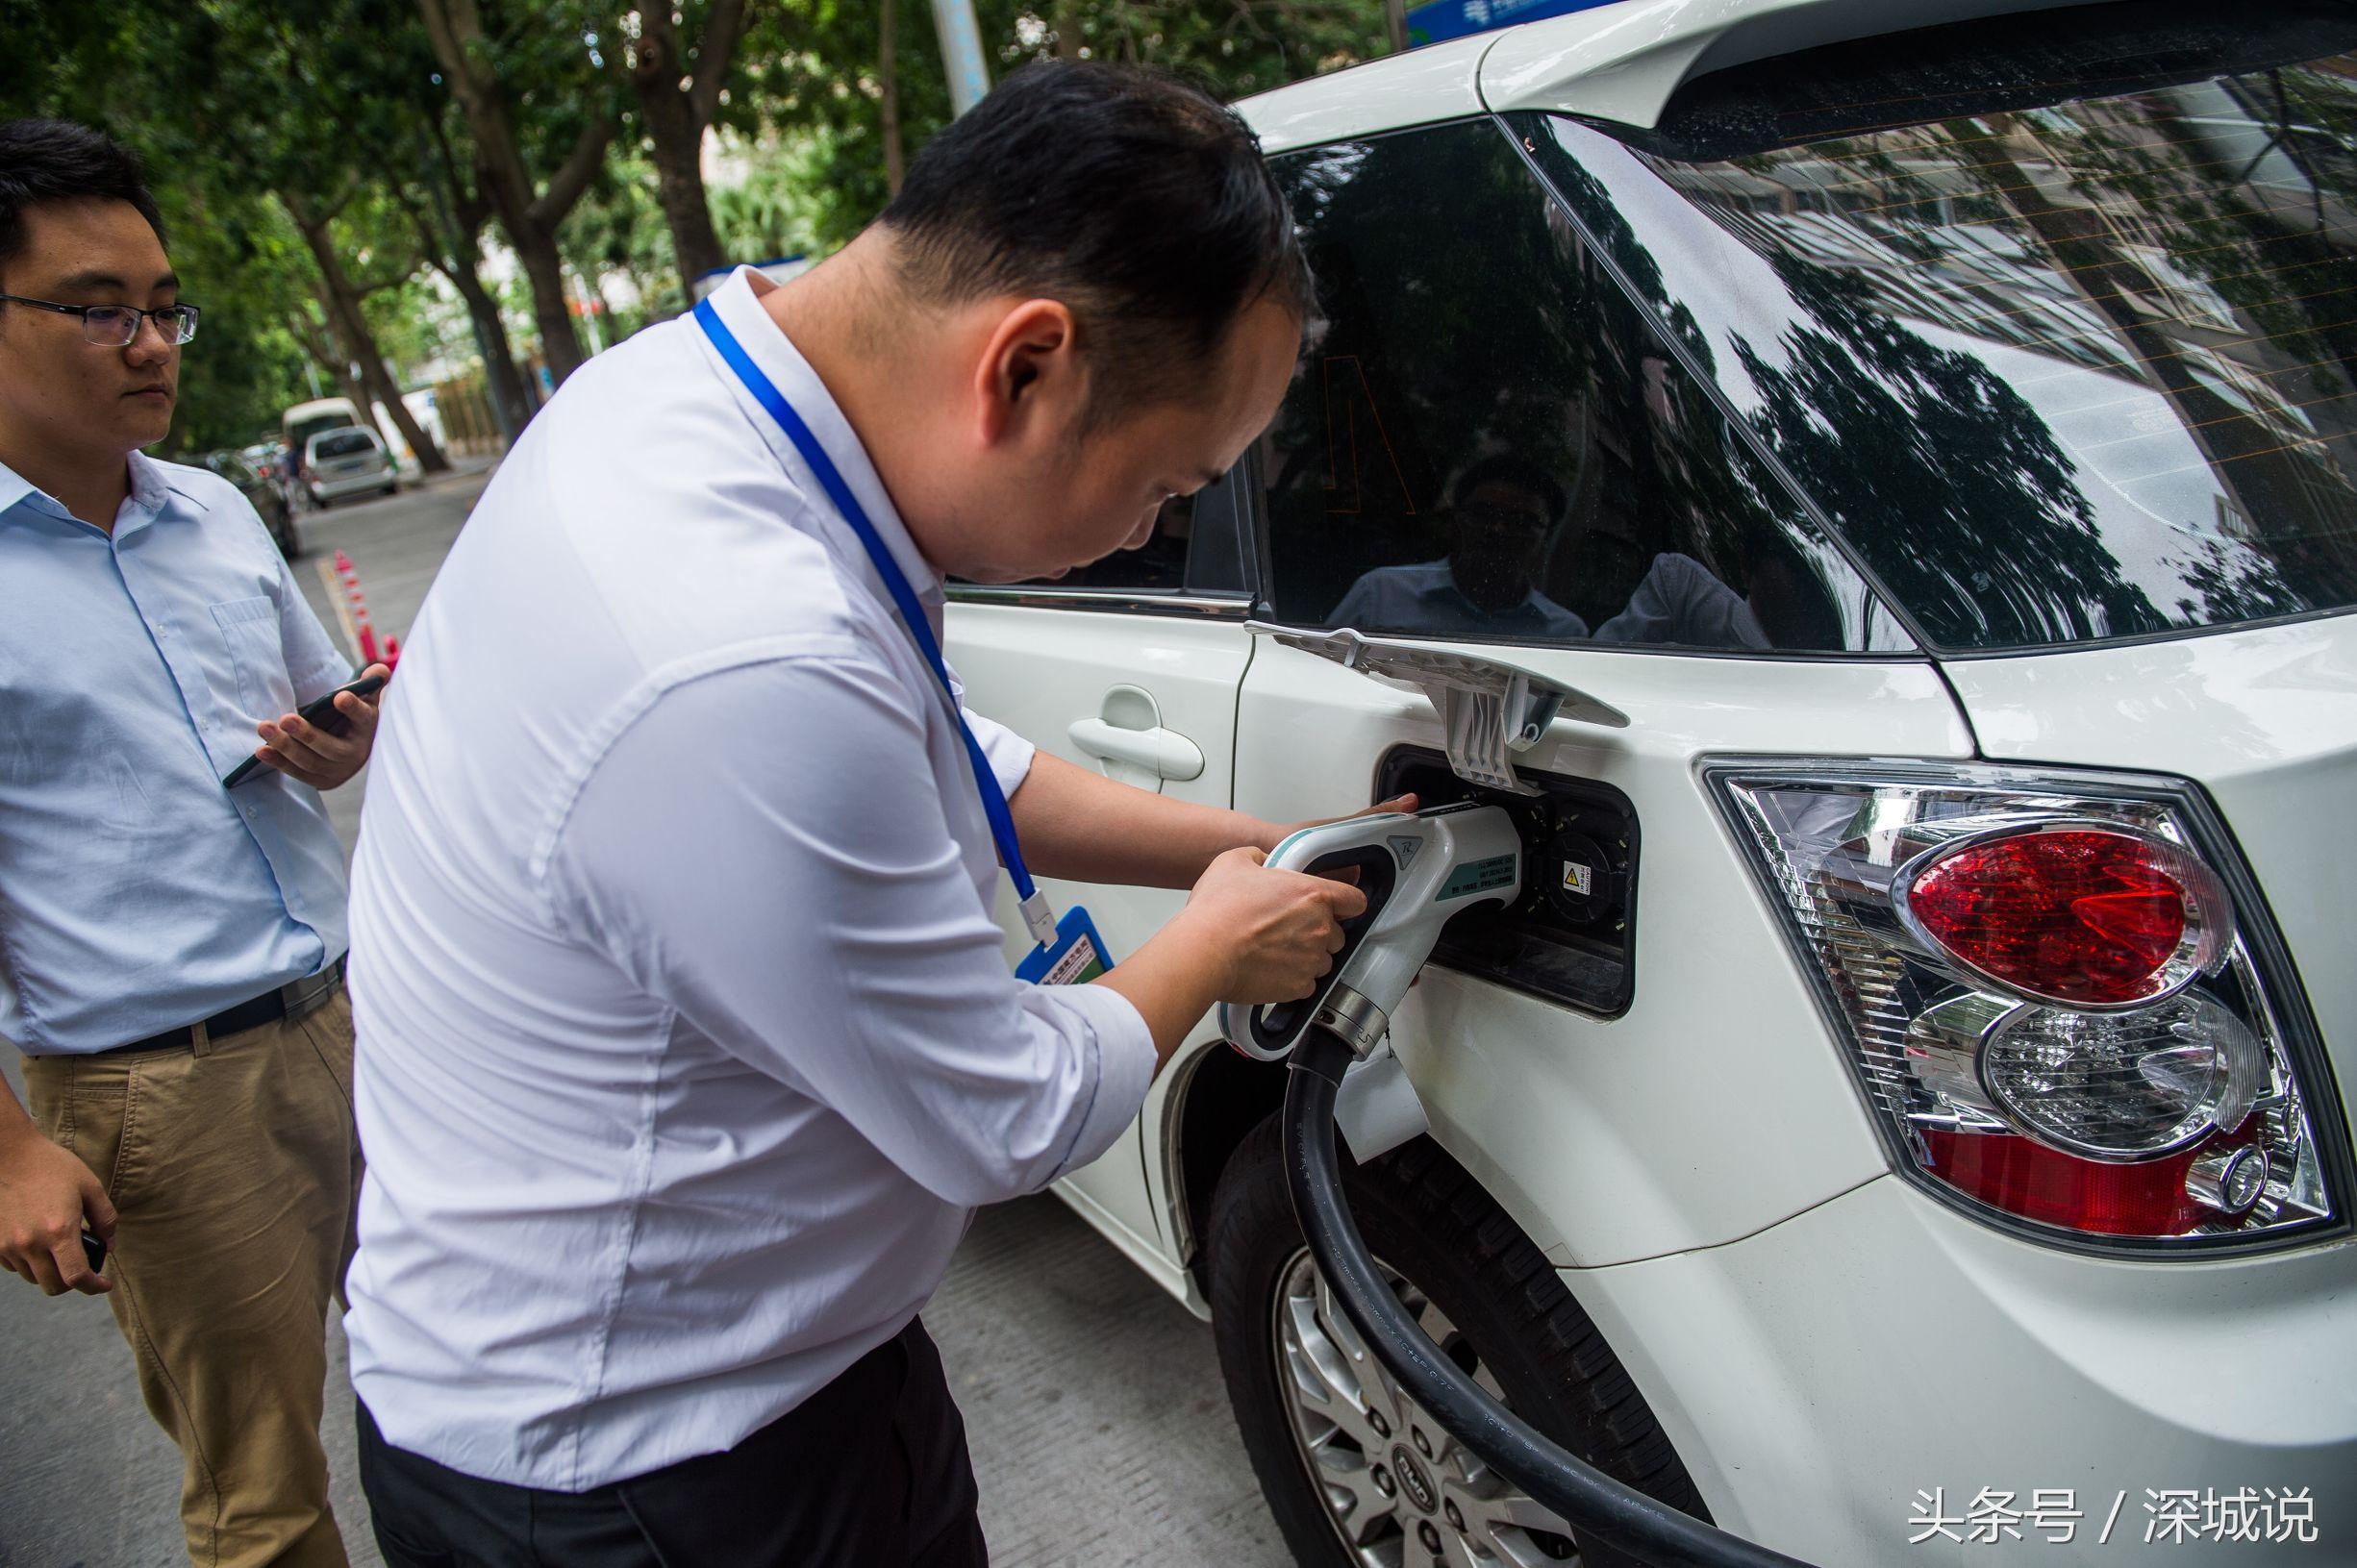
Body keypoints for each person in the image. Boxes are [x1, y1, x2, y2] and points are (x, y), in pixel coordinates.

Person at [344, 62, 1388, 1567]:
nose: (1146, 532)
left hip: (727, 1369)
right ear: (1022, 368)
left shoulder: (695, 409)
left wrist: (1238, 840)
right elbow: (1003, 1111)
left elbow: (954, 755)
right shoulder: (734, 655)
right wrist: (1212, 950)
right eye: (1168, 483)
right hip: (644, 1472)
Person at [0, 119, 389, 1568]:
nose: (149, 340)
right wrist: (11, 1153)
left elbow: (318, 712)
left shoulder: (217, 513)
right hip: (157, 1096)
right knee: (263, 1491)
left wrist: (340, 739)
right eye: (99, 307)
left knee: (465, 1380)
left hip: (352, 1019)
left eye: (164, 305)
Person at [1329, 454, 1590, 638]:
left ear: (1547, 537)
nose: (1498, 529)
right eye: (1484, 513)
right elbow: (1318, 672)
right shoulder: (1380, 594)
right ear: (1456, 520)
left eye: (1522, 521)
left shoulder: (1565, 633)